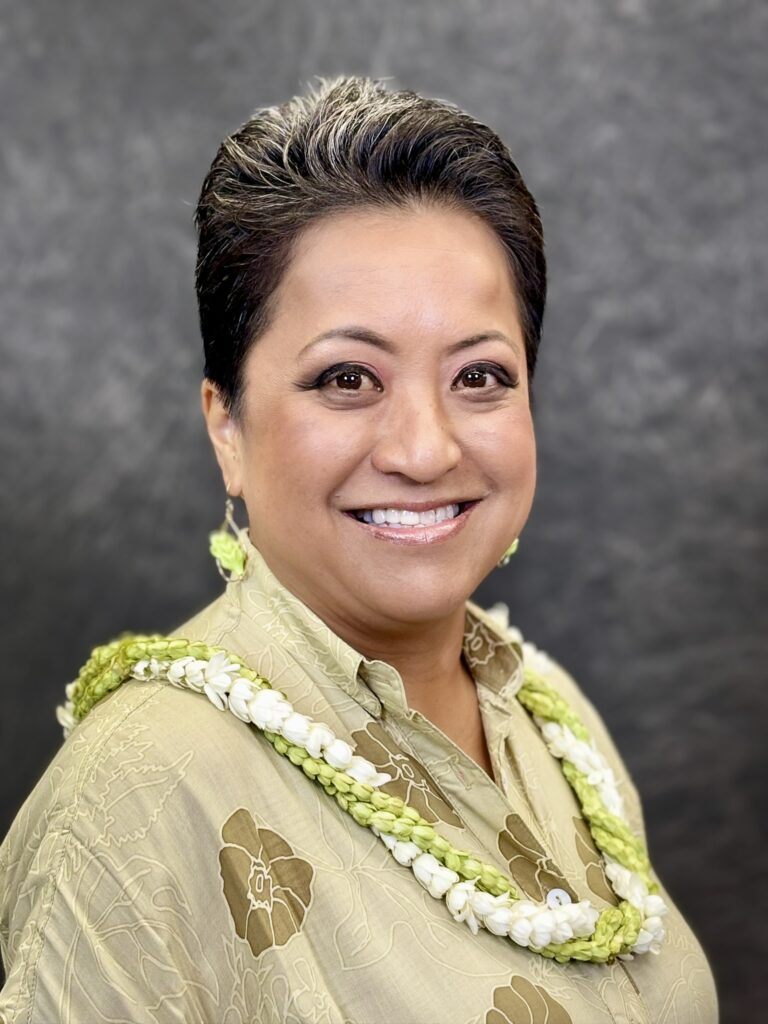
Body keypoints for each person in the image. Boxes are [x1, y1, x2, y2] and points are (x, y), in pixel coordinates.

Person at [0, 75, 718, 1023]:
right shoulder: (134, 799)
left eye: (480, 375)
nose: (425, 449)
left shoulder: (554, 722)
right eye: (347, 378)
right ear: (227, 427)